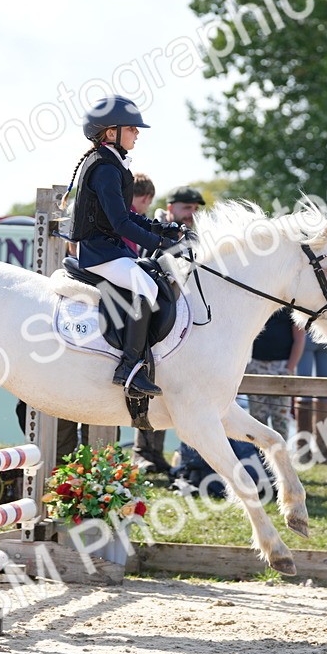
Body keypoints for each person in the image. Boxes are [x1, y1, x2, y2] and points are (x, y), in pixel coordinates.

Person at [66, 95, 184, 397]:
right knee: (146, 287)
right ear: (110, 132)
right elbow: (120, 223)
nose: (137, 133)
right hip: (99, 252)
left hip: (108, 249)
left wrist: (161, 229)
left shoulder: (111, 163)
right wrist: (159, 243)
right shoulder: (105, 168)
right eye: (131, 128)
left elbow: (127, 215)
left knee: (152, 278)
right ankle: (130, 368)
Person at [133, 183, 206, 475]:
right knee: (147, 376)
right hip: (152, 315)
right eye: (187, 208)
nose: (191, 214)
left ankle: (156, 453)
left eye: (195, 209)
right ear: (171, 207)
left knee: (166, 387)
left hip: (178, 318)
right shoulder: (155, 228)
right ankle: (142, 452)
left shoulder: (192, 235)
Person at [294, 223, 327, 461]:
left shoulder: (314, 261)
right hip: (321, 330)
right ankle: (318, 451)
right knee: (320, 389)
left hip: (314, 330)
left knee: (312, 389)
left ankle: (309, 450)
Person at [246, 307, 305, 441]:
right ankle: (257, 453)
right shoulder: (258, 305)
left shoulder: (291, 308)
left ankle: (281, 451)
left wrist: (289, 368)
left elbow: (299, 339)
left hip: (282, 366)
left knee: (280, 417)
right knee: (256, 416)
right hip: (256, 365)